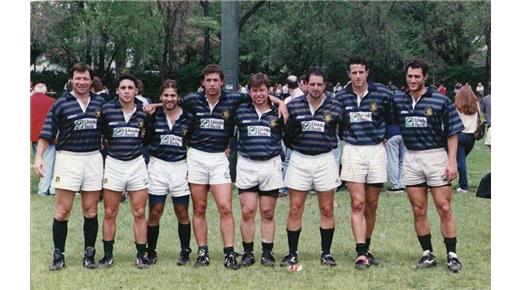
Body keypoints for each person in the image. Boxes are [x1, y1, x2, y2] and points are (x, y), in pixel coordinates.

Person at [180, 64, 287, 270]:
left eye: (215, 80)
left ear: (222, 82)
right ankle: (203, 252)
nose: (212, 84)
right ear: (203, 82)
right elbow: (171, 102)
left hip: (220, 157)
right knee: (199, 207)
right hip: (196, 156)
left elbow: (260, 96)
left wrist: (280, 101)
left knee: (225, 207)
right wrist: (152, 106)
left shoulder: (234, 99)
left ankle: (229, 253)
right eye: (208, 80)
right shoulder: (193, 99)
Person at [392, 59, 464, 273]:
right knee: (418, 209)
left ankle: (452, 254)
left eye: (417, 76)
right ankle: (427, 253)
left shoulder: (440, 101)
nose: (413, 80)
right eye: (409, 76)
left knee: (444, 207)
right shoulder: (399, 100)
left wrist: (452, 162)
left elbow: (452, 133)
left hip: (435, 157)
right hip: (412, 157)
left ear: (425, 77)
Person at [34, 63, 104, 271]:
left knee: (90, 211)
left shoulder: (101, 102)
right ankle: (58, 256)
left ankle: (89, 254)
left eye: (85, 79)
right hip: (68, 159)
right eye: (78, 78)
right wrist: (39, 157)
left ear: (91, 81)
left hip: (93, 159)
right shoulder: (60, 104)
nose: (81, 82)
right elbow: (46, 134)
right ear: (72, 80)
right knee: (62, 211)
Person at [282, 67, 343, 268]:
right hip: (300, 159)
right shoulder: (295, 105)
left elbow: (342, 131)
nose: (315, 88)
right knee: (294, 208)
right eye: (312, 84)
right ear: (305, 84)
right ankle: (292, 253)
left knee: (326, 208)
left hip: (325, 159)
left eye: (319, 84)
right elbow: (288, 136)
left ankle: (326, 253)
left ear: (325, 85)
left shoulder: (335, 105)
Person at [336, 56, 392, 269]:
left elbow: (393, 117)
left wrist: (385, 135)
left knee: (371, 204)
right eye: (354, 72)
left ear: (367, 72)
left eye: (361, 72)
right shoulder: (341, 97)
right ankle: (360, 252)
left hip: (376, 150)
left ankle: (367, 247)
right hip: (352, 150)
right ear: (348, 74)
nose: (358, 76)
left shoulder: (383, 94)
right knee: (357, 203)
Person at [98, 73, 152, 269]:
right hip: (114, 164)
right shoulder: (107, 110)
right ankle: (107, 255)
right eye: (123, 88)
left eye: (131, 88)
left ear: (136, 90)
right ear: (117, 90)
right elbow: (102, 134)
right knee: (110, 211)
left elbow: (147, 139)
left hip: (137, 165)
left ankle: (141, 254)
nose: (127, 91)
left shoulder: (144, 112)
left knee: (139, 212)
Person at [234, 73, 284, 267]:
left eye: (262, 90)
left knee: (267, 212)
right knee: (248, 211)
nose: (258, 94)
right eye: (254, 90)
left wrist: (281, 103)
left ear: (268, 90)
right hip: (247, 164)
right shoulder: (241, 110)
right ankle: (247, 252)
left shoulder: (279, 112)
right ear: (250, 92)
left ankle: (267, 253)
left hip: (270, 164)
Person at [145, 79, 192, 266]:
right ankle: (151, 251)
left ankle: (185, 251)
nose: (169, 99)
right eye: (165, 95)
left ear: (178, 97)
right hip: (158, 166)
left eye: (173, 95)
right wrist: (152, 107)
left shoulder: (188, 117)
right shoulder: (153, 116)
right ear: (160, 97)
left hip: (180, 166)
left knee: (182, 211)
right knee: (155, 212)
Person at [31, 83, 56, 196]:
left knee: (38, 162)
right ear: (45, 91)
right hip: (48, 135)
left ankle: (44, 188)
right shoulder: (52, 101)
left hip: (34, 135)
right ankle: (46, 189)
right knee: (49, 163)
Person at [454, 85, 480, 193]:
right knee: (462, 161)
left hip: (459, 135)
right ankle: (462, 183)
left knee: (460, 162)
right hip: (471, 137)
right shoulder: (476, 105)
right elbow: (479, 118)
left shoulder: (457, 106)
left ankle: (463, 185)